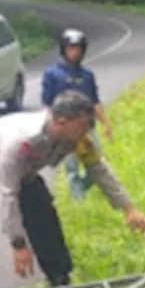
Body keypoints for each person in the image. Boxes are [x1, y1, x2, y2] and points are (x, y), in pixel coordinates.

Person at [0, 90, 145, 288]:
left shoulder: (77, 137)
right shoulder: (22, 140)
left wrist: (128, 207)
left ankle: (60, 281)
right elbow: (7, 193)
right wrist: (18, 244)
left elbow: (98, 169)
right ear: (61, 121)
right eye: (82, 125)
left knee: (44, 213)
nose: (86, 131)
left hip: (24, 170)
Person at [41, 28, 113, 200]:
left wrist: (106, 124)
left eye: (79, 49)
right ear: (64, 49)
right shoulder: (52, 74)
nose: (75, 52)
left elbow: (95, 102)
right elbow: (47, 105)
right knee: (72, 168)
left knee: (97, 164)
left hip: (87, 128)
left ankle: (80, 189)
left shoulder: (87, 75)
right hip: (66, 129)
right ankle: (78, 202)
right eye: (71, 48)